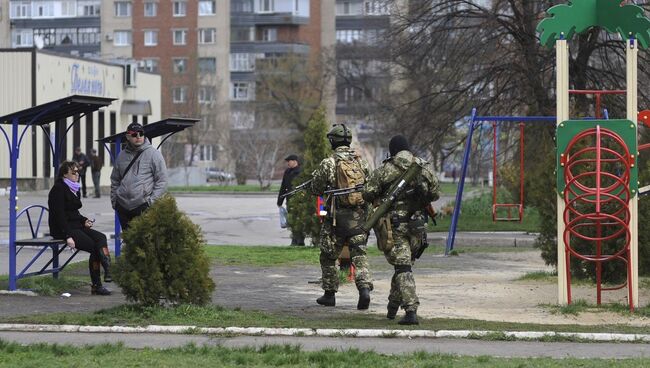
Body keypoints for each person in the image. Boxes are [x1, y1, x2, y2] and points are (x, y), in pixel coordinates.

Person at [363, 135, 440, 325]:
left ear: (392, 151)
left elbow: (367, 193)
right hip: (418, 226)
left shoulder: (385, 170)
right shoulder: (423, 167)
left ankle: (411, 311)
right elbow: (435, 193)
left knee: (403, 267)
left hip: (394, 227)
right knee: (403, 267)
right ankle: (392, 306)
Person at [308, 124, 373, 310]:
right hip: (359, 219)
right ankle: (364, 290)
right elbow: (371, 187)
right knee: (359, 256)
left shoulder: (328, 163)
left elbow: (316, 189)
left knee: (328, 257)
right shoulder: (361, 162)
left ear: (333, 142)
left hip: (335, 220)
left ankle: (329, 295)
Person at [48, 161, 111, 295]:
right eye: (74, 172)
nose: (77, 174)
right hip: (63, 229)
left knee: (101, 238)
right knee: (94, 248)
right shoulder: (58, 189)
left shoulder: (74, 188)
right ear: (65, 174)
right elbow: (59, 215)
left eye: (78, 172)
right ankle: (97, 285)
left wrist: (84, 221)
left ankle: (108, 268)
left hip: (76, 226)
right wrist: (68, 236)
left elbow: (73, 213)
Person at [110, 122, 168, 231]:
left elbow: (162, 181)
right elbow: (115, 180)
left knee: (144, 242)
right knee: (128, 241)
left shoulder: (153, 154)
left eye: (141, 133)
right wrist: (115, 201)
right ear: (128, 137)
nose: (138, 137)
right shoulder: (121, 156)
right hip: (122, 207)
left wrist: (151, 202)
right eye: (134, 134)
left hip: (143, 206)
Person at [277, 154, 305, 246]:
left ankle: (300, 240)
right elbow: (283, 187)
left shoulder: (301, 172)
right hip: (290, 200)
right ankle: (294, 239)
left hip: (300, 201)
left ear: (295, 161)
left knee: (299, 220)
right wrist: (280, 200)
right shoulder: (287, 172)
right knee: (292, 220)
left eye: (289, 161)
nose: (288, 163)